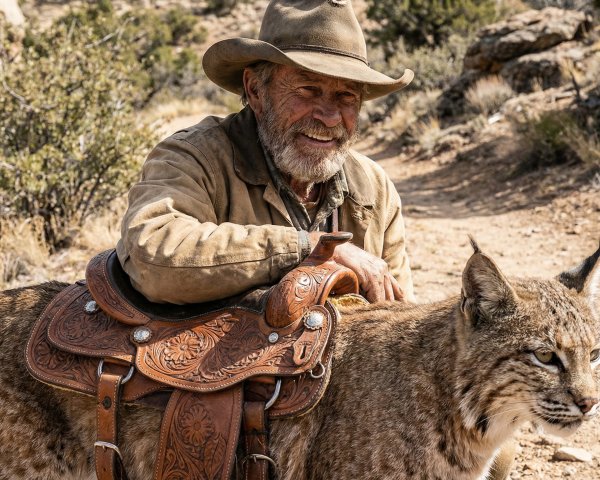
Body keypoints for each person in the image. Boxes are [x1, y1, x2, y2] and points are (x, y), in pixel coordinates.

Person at [116, 0, 416, 305]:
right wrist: (306, 248)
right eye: (307, 90)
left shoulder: (374, 189)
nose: (329, 116)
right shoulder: (192, 157)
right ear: (256, 90)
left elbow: (399, 314)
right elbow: (152, 257)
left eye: (346, 96)